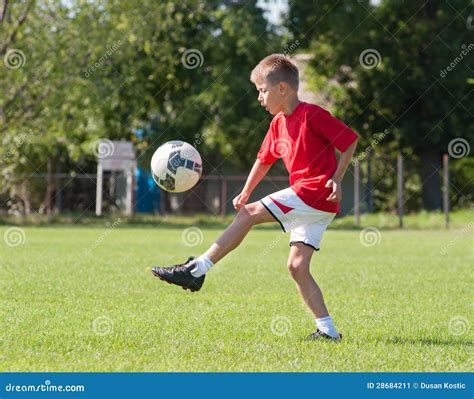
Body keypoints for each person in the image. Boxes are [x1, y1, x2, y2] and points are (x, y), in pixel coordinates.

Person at [152, 54, 358, 341]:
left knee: (249, 214)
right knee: (297, 267)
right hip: (316, 204)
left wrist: (336, 179)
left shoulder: (312, 115)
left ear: (283, 89)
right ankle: (328, 331)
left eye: (262, 90)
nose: (259, 97)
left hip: (313, 192)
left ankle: (197, 269)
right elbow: (264, 159)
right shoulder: (277, 124)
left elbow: (350, 141)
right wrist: (247, 190)